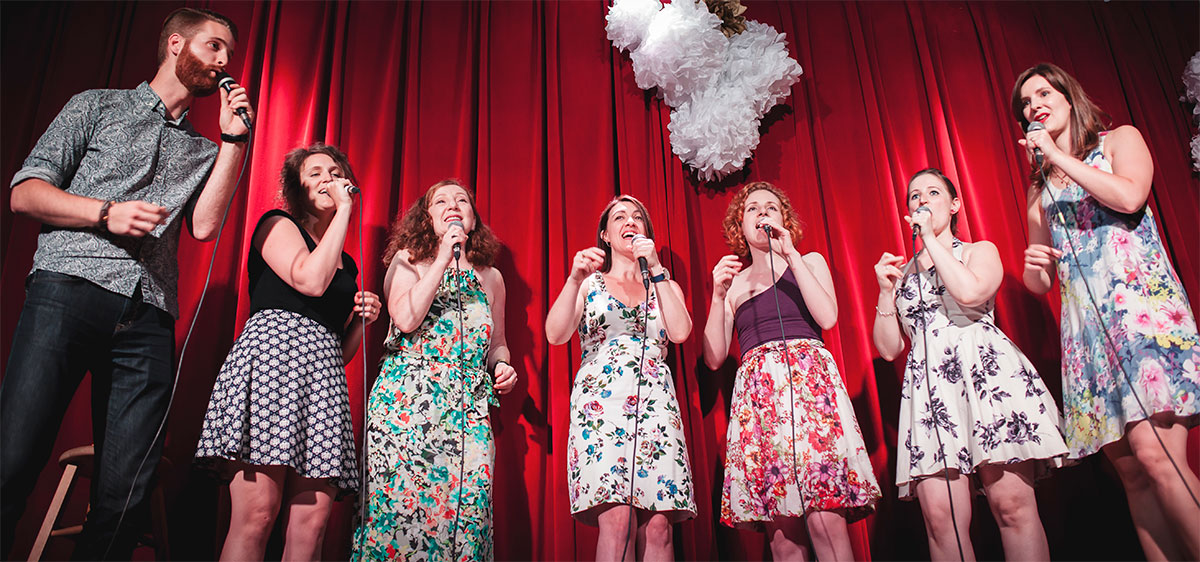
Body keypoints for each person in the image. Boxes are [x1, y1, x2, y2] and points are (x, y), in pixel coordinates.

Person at [1, 7, 252, 559]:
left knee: (127, 488)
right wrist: (104, 212)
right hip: (68, 287)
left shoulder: (205, 149)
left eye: (229, 54)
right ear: (176, 45)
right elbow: (25, 192)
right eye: (214, 48)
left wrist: (234, 142)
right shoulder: (95, 105)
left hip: (148, 315)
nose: (224, 63)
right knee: (14, 455)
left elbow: (206, 227)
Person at [1012, 62, 1200, 561]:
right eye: (1026, 103)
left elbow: (1130, 195)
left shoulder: (1120, 141)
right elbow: (1040, 282)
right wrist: (1033, 266)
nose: (1034, 106)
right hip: (1087, 337)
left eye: (1043, 93)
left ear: (1069, 98)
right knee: (1134, 477)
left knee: (1159, 459)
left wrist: (1056, 155)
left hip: (1141, 312)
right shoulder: (1039, 190)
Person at [871, 168, 1068, 561]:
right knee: (942, 522)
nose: (921, 201)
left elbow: (970, 292)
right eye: (914, 196)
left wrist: (929, 239)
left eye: (931, 193)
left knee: (1012, 507)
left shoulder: (979, 251)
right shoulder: (903, 273)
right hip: (930, 393)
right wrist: (885, 292)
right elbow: (890, 348)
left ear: (955, 204)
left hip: (986, 376)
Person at [193, 143, 378, 560]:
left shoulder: (346, 263)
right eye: (315, 173)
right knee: (258, 513)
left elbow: (339, 349)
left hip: (323, 381)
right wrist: (345, 212)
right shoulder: (277, 225)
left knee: (310, 527)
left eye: (335, 170)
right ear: (297, 187)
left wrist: (361, 325)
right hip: (273, 366)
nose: (328, 178)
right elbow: (309, 281)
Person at [701, 181, 880, 561]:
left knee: (825, 522)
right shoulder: (734, 285)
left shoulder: (809, 261)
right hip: (761, 404)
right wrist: (717, 296)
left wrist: (791, 255)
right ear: (740, 224)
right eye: (752, 208)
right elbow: (714, 358)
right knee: (783, 538)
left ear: (784, 221)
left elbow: (827, 316)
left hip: (810, 393)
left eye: (771, 207)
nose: (762, 212)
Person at [353, 179, 518, 561]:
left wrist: (504, 366)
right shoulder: (408, 259)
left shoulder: (492, 277)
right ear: (427, 219)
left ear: (473, 220)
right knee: (398, 518)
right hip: (406, 405)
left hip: (468, 409)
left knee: (468, 517)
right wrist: (444, 257)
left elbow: (497, 344)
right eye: (440, 201)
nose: (453, 205)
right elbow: (407, 318)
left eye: (462, 200)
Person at [545, 195, 696, 561]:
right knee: (618, 522)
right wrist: (573, 278)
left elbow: (679, 333)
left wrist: (657, 268)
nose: (630, 221)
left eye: (638, 217)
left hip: (656, 405)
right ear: (606, 235)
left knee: (659, 528)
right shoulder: (588, 283)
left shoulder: (665, 284)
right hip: (601, 406)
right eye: (620, 217)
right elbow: (555, 334)